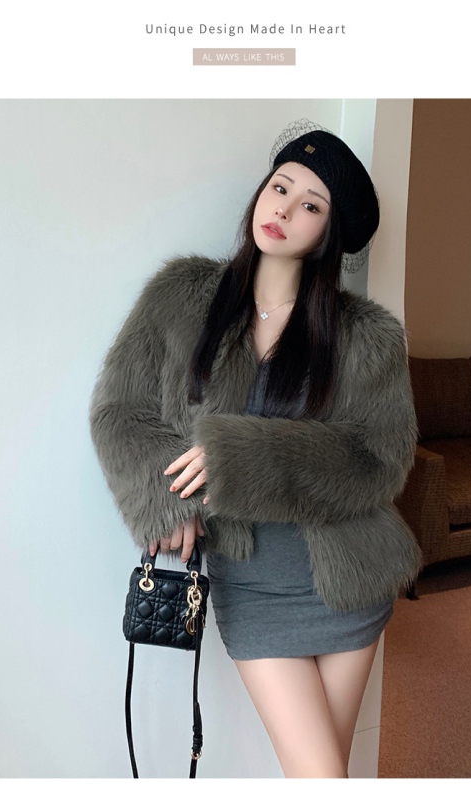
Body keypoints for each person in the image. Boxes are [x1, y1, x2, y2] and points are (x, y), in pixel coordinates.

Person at [89, 119, 423, 779]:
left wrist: (241, 458)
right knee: (322, 777)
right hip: (255, 587)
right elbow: (119, 412)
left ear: (328, 233)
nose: (285, 209)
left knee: (323, 777)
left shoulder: (367, 336)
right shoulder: (182, 296)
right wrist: (165, 500)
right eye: (280, 186)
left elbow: (378, 461)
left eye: (311, 205)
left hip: (351, 578)